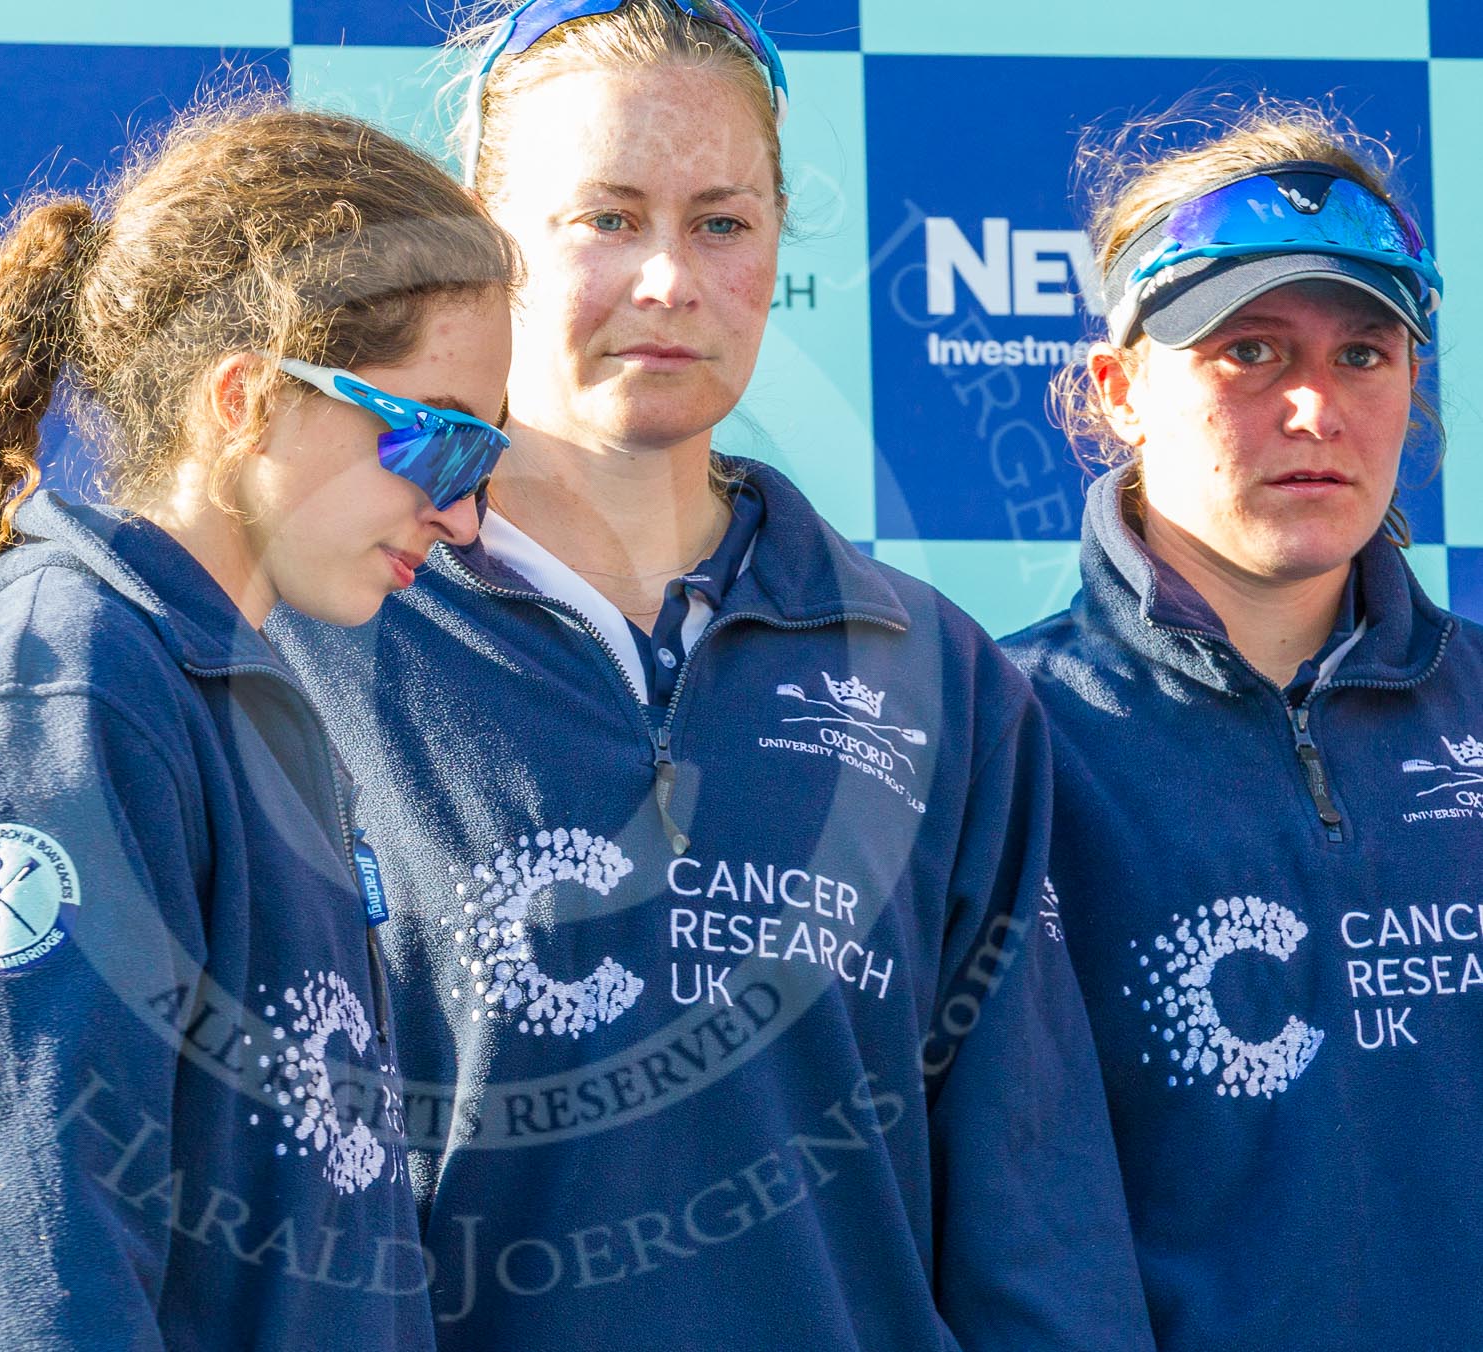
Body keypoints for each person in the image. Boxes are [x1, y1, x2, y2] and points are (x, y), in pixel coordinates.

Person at [268, 3, 1154, 1349]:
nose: (669, 279)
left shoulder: (935, 672)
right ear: (480, 241)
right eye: (606, 218)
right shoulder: (310, 639)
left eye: (722, 222)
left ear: (779, 241)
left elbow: (1036, 1224)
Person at [0, 102, 517, 1349]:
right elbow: (24, 1286)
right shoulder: (65, 714)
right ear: (245, 397)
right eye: (439, 441)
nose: (466, 517)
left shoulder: (222, 700)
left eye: (489, 455)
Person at [1005, 100, 1483, 1350]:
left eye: (1363, 354)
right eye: (1251, 350)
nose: (1315, 408)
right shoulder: (1000, 734)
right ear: (1119, 388)